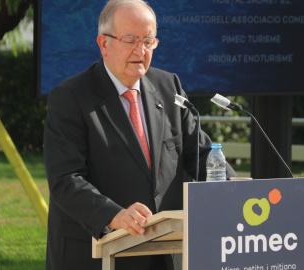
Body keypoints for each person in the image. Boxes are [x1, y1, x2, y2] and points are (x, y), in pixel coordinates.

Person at [43, 0, 237, 269]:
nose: (140, 50)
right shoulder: (71, 97)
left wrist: (236, 190)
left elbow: (202, 154)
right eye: (131, 40)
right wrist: (116, 215)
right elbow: (66, 180)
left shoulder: (169, 87)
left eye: (148, 41)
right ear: (104, 44)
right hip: (100, 252)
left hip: (168, 250)